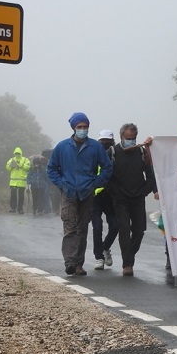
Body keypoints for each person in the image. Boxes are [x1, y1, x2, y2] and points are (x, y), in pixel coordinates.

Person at [47, 112, 113, 276]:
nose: (83, 130)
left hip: (87, 193)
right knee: (70, 227)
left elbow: (107, 167)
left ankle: (78, 265)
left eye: (85, 127)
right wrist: (61, 184)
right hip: (68, 192)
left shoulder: (95, 147)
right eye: (79, 127)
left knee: (82, 229)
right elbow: (51, 169)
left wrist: (96, 183)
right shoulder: (62, 147)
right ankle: (70, 261)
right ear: (74, 128)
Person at [109, 123, 157, 276]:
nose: (130, 141)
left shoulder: (142, 152)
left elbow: (150, 175)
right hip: (120, 199)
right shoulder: (112, 152)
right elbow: (105, 175)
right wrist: (115, 192)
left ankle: (129, 255)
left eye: (133, 138)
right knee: (124, 230)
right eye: (127, 138)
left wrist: (145, 191)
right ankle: (127, 264)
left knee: (139, 230)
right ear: (121, 136)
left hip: (138, 197)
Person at [92, 130, 119, 270]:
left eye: (108, 141)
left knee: (115, 227)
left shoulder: (115, 155)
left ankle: (105, 247)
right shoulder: (93, 154)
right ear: (98, 141)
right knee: (97, 227)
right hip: (95, 196)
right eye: (102, 140)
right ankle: (99, 257)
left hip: (111, 196)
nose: (105, 143)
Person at [6, 147, 31, 214]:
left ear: (21, 153)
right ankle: (13, 208)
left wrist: (20, 164)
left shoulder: (25, 160)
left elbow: (28, 168)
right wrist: (11, 165)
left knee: (21, 195)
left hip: (22, 182)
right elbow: (7, 168)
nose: (17, 154)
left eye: (18, 153)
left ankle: (20, 209)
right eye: (16, 153)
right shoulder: (12, 159)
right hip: (13, 182)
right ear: (14, 153)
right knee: (13, 194)